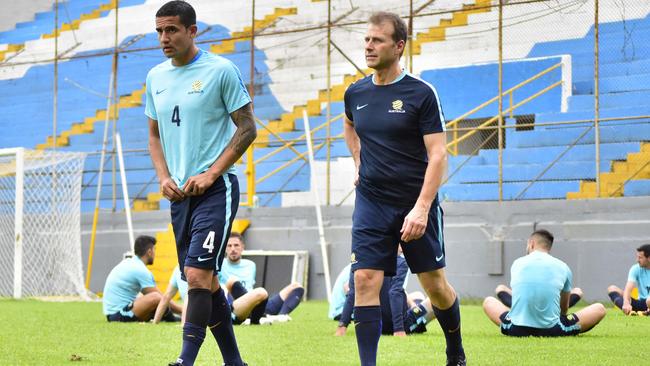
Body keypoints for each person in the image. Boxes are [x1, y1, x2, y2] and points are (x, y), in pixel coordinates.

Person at [343, 11, 465, 366]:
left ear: (398, 46)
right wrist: (357, 162)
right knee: (364, 278)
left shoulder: (421, 93)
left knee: (435, 287)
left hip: (415, 202)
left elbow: (439, 154)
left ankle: (455, 350)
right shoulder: (356, 92)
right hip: (371, 201)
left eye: (377, 40)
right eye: (367, 39)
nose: (369, 46)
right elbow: (349, 126)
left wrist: (422, 208)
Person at [146, 1, 256, 365]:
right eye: (160, 30)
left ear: (192, 31)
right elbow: (154, 135)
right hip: (180, 197)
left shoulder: (221, 70)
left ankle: (185, 360)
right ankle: (235, 361)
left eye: (172, 29)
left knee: (196, 275)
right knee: (206, 283)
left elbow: (248, 127)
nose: (164, 37)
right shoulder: (155, 78)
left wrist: (211, 172)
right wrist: (163, 177)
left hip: (217, 189)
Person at [482, 230, 607, 337]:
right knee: (599, 309)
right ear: (549, 247)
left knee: (489, 301)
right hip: (552, 329)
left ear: (531, 244)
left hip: (516, 329)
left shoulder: (517, 263)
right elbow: (563, 310)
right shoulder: (563, 267)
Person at [335, 253, 435, 337]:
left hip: (372, 325)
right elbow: (395, 293)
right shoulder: (400, 262)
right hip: (394, 325)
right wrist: (398, 329)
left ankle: (415, 311)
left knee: (417, 295)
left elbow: (351, 292)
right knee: (434, 300)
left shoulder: (362, 260)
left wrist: (342, 326)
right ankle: (450, 330)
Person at [219, 233, 305, 322]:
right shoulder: (219, 265)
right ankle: (258, 316)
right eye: (229, 246)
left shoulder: (250, 265)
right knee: (232, 281)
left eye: (236, 245)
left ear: (242, 247)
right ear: (225, 248)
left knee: (297, 286)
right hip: (237, 306)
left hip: (258, 304)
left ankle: (281, 316)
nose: (233, 249)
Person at [103, 236, 178, 322]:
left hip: (114, 314)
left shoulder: (130, 262)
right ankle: (176, 318)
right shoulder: (140, 269)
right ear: (149, 252)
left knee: (151, 300)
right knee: (156, 297)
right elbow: (160, 298)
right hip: (118, 315)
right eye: (154, 249)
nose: (155, 253)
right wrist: (182, 310)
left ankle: (171, 318)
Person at [607, 244, 650, 315]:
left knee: (649, 301)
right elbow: (628, 287)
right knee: (611, 289)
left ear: (649, 258)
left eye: (640, 258)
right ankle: (629, 311)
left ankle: (647, 312)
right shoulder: (636, 268)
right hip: (640, 303)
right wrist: (626, 302)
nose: (637, 260)